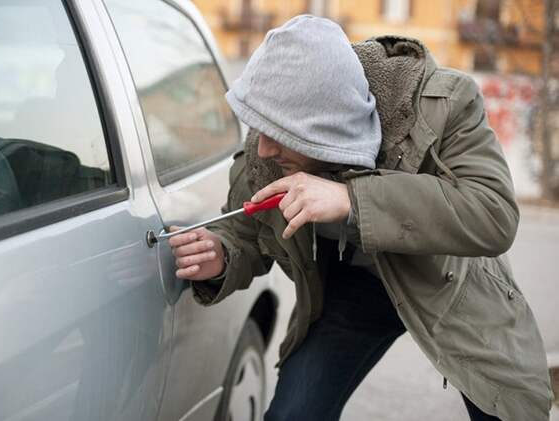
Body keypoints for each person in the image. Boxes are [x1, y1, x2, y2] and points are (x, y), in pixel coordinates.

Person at [169, 15, 553, 421]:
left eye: (278, 134)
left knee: (508, 411)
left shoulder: (444, 103)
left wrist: (351, 198)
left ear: (325, 126)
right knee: (293, 414)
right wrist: (222, 253)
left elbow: (492, 213)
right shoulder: (266, 150)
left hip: (449, 281)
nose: (263, 149)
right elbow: (247, 230)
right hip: (355, 291)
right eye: (259, 128)